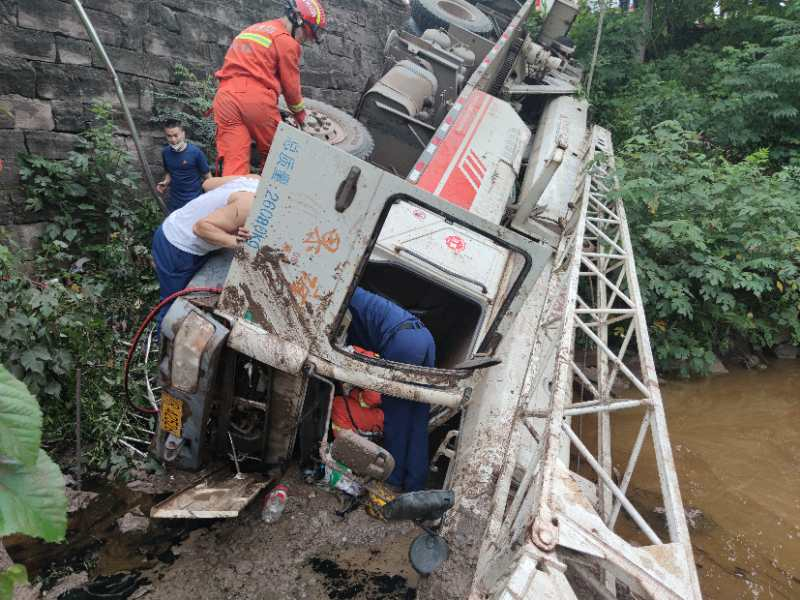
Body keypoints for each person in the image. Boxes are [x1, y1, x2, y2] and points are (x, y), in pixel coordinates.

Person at [212, 0, 328, 176]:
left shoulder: (252, 29)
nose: (304, 40)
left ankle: (235, 199)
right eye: (305, 35)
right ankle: (272, 200)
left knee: (233, 164)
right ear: (297, 19)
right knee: (278, 156)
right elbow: (291, 87)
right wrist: (301, 116)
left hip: (224, 99)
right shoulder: (286, 41)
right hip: (254, 99)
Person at [346, 287, 436, 493]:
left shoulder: (343, 297)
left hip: (403, 343)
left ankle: (393, 479)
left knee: (397, 418)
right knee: (418, 417)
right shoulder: (361, 295)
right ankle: (415, 484)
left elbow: (346, 342)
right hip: (425, 337)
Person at [151, 174, 259, 328]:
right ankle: (162, 342)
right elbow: (201, 227)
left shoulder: (255, 179)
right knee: (173, 307)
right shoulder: (249, 205)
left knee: (186, 295)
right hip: (177, 246)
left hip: (176, 224)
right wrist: (237, 243)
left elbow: (207, 184)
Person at [156, 120, 211, 212]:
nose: (173, 140)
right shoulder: (165, 152)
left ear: (183, 134)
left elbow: (208, 177)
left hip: (194, 201)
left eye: (176, 135)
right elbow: (169, 172)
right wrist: (165, 182)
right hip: (174, 201)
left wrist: (211, 198)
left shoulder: (196, 153)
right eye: (169, 136)